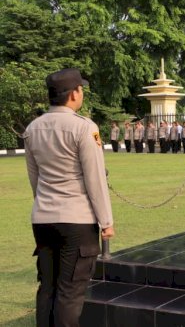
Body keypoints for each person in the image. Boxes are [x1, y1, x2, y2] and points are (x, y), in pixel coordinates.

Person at [24, 68, 114, 327]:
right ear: (73, 94)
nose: (82, 93)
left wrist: (45, 203)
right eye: (81, 89)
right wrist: (106, 221)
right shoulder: (84, 127)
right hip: (76, 219)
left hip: (43, 218)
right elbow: (94, 178)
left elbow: (35, 179)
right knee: (70, 292)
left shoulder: (33, 128)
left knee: (48, 289)